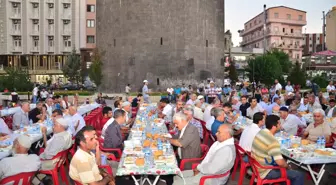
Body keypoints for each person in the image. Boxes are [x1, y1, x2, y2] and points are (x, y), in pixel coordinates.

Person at [251, 115, 304, 185]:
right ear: (274, 126)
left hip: (256, 166)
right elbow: (280, 163)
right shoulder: (272, 141)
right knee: (299, 175)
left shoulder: (261, 132)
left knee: (285, 169)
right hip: (265, 171)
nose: (280, 125)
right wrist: (288, 166)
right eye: (279, 123)